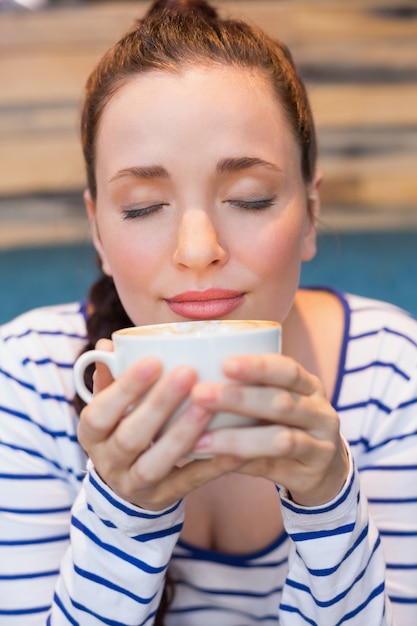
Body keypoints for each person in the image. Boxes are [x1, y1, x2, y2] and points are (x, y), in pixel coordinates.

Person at [1, 0, 417, 623]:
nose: (199, 251)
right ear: (97, 231)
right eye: (143, 206)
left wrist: (330, 507)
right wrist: (123, 511)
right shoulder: (28, 380)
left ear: (309, 212)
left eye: (249, 198)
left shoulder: (395, 380)